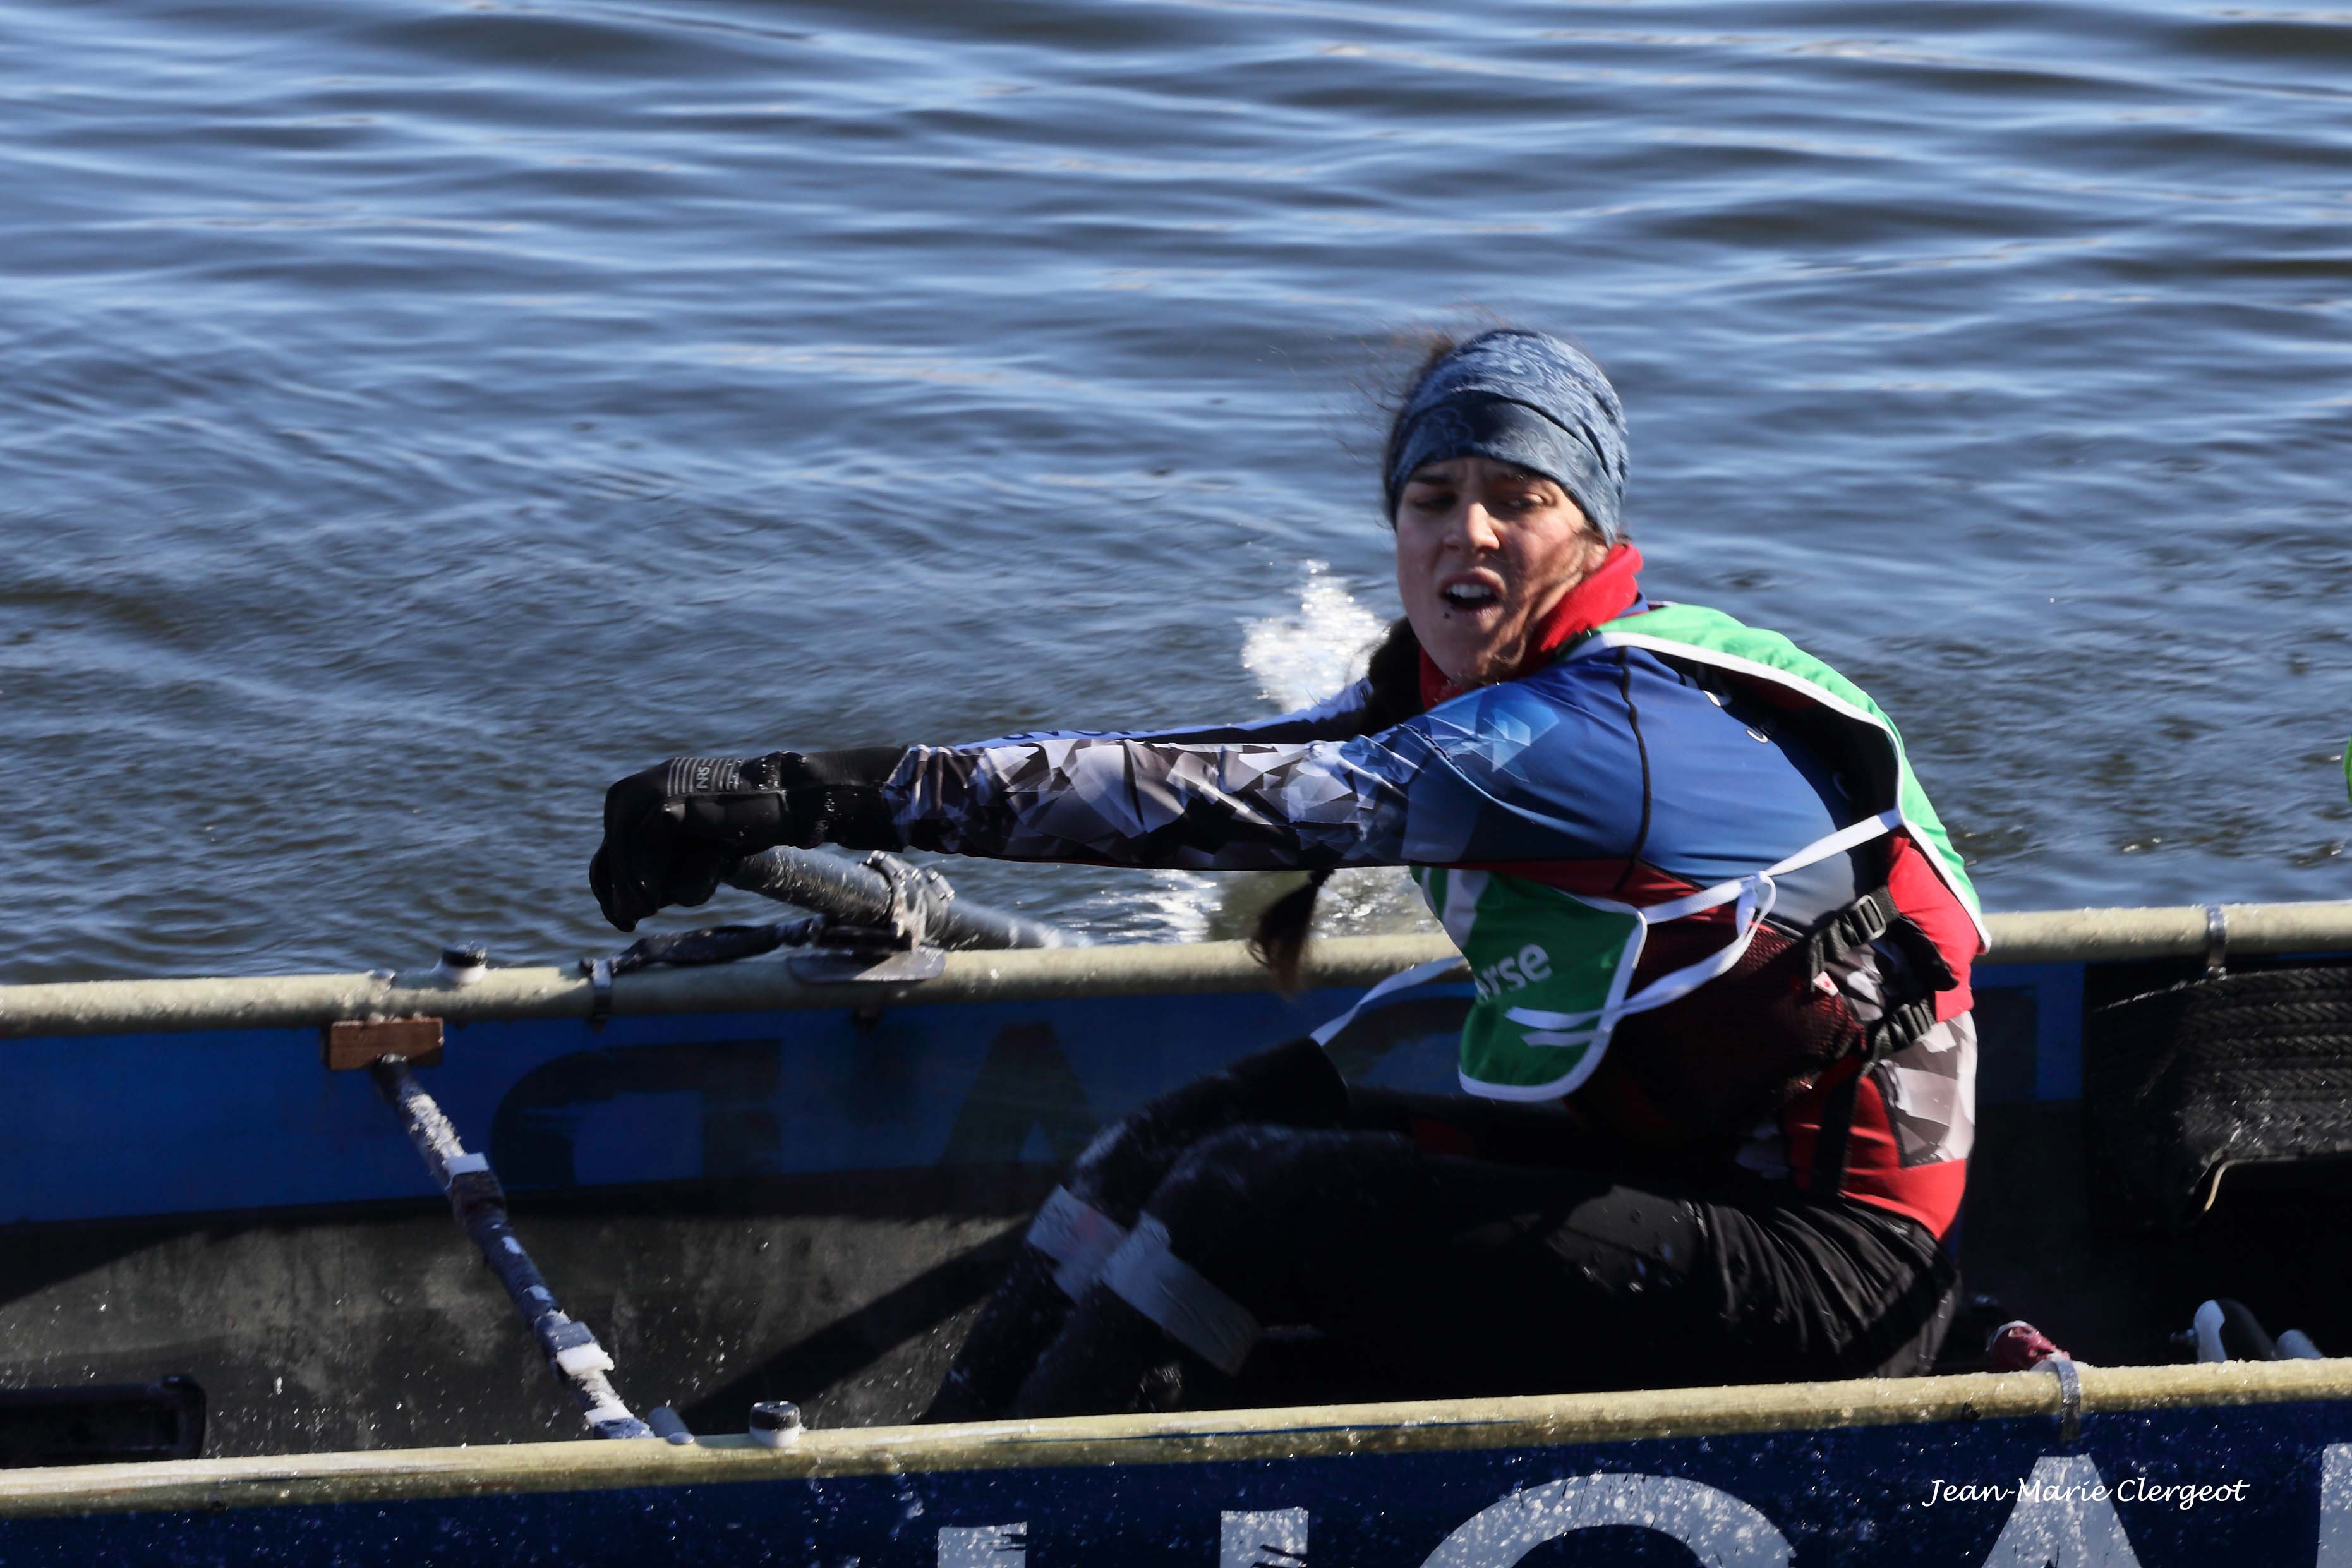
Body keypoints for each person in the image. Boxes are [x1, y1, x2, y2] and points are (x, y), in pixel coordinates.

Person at [589, 329, 1986, 1419]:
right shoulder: (1466, 693)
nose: (1469, 535)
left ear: (1594, 532)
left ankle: (1029, 1524)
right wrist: (785, 789)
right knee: (1168, 1138)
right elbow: (1176, 755)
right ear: (1394, 525)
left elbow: (1185, 809)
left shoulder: (1587, 731)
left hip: (1831, 1281)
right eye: (1434, 498)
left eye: (1520, 498)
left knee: (1247, 1193)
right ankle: (965, 1471)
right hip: (1657, 1163)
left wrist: (806, 790)